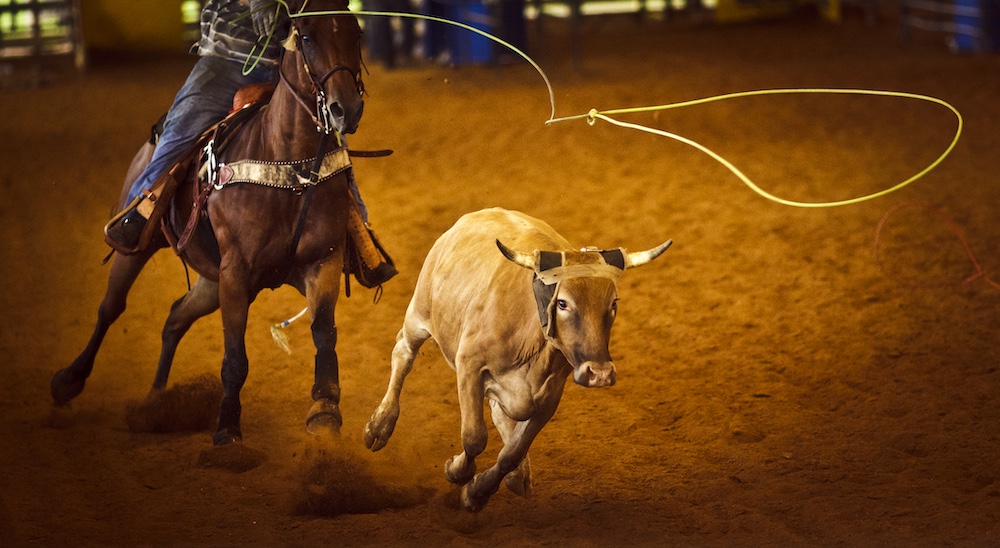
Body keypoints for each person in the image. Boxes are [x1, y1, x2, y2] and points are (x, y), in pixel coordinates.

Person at [105, 0, 289, 251]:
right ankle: (140, 210)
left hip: (294, 56)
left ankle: (355, 226)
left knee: (327, 126)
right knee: (184, 126)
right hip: (228, 58)